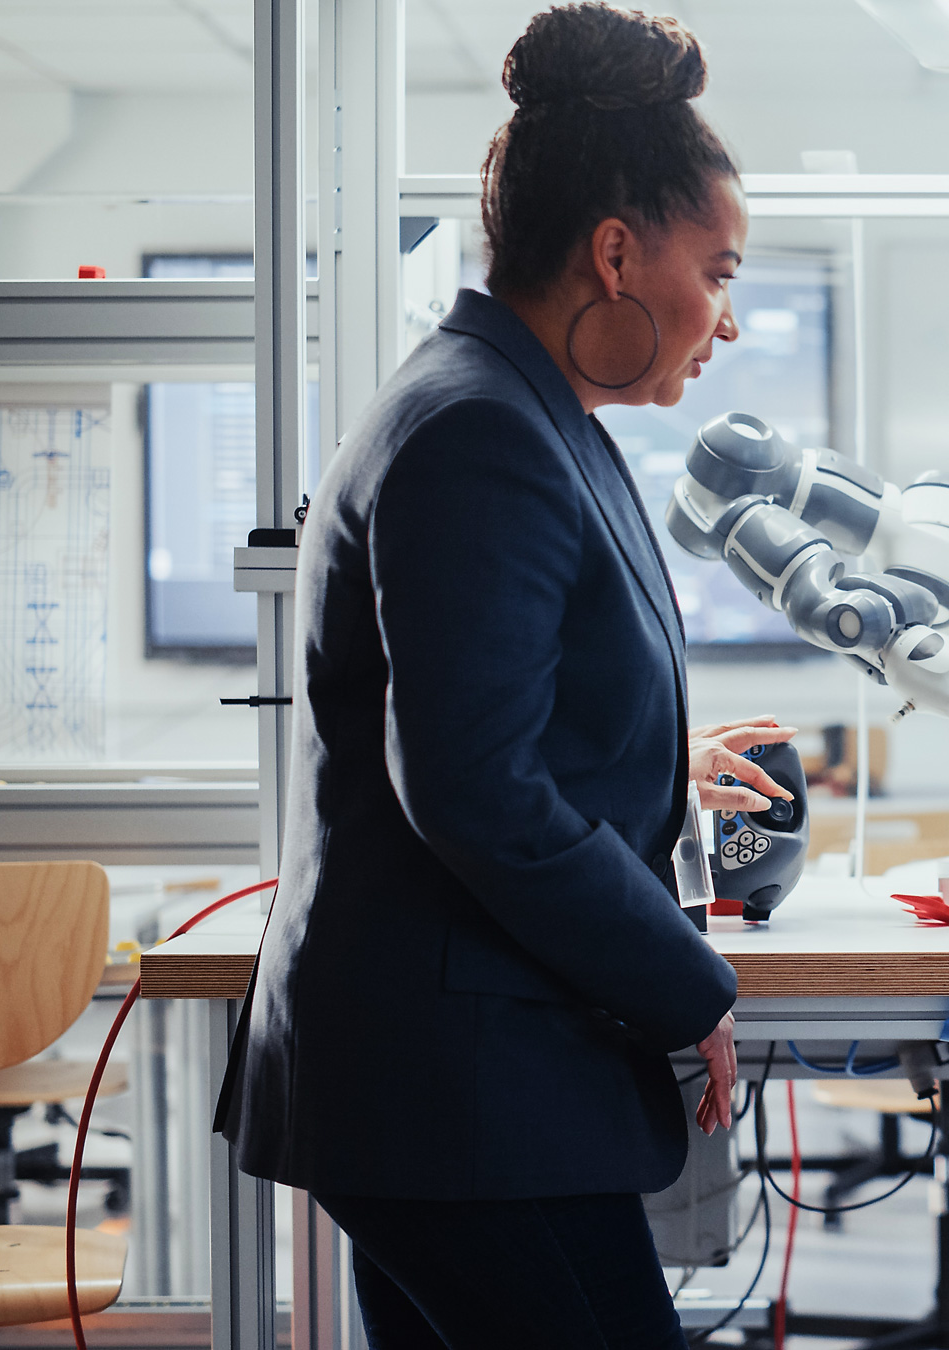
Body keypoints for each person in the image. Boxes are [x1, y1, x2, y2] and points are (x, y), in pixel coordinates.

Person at [223, 7, 786, 1346]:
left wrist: (653, 761)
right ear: (615, 252)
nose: (729, 318)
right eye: (718, 269)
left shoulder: (522, 409)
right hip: (452, 1085)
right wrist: (687, 979)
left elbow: (491, 712)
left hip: (445, 1077)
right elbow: (475, 789)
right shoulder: (481, 428)